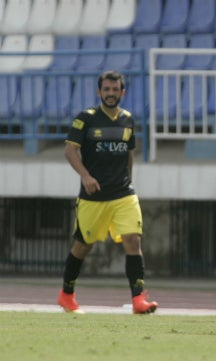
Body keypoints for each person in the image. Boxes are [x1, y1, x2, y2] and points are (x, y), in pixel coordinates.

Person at [57, 70, 158, 315]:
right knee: (83, 245)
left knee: (133, 240)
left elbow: (129, 153)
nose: (111, 94)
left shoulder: (128, 119)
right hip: (93, 197)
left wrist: (129, 182)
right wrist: (86, 176)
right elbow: (70, 151)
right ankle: (66, 294)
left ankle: (138, 299)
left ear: (122, 92)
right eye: (107, 90)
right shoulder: (86, 118)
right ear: (99, 92)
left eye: (115, 90)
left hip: (123, 194)